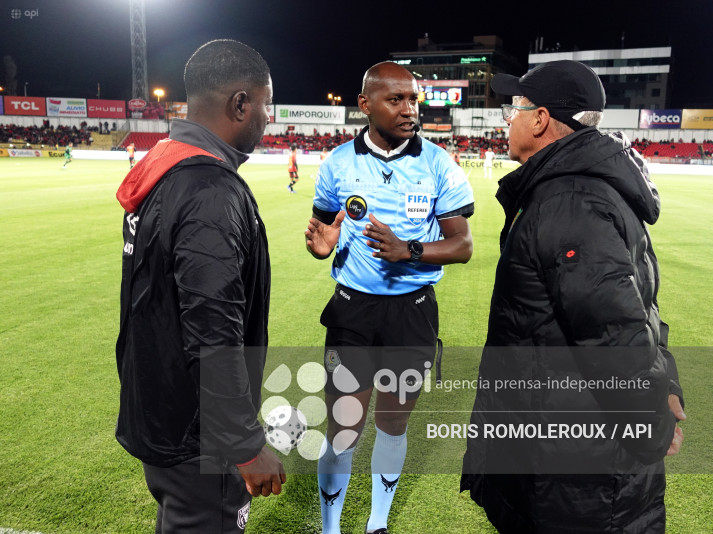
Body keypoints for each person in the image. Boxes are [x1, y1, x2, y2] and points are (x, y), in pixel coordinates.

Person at [460, 60, 685, 533]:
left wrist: (651, 424)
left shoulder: (569, 200)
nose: (508, 121)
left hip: (574, 473)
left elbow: (613, 332)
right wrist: (666, 385)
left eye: (514, 110)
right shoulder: (576, 189)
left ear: (540, 119)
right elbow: (641, 308)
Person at [114, 39, 285, 533]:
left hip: (161, 410)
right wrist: (244, 443)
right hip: (197, 435)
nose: (268, 118)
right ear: (240, 104)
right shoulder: (210, 190)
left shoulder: (166, 167)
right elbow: (213, 329)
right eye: (265, 103)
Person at [305, 61, 474, 534]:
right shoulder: (337, 162)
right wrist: (322, 248)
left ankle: (377, 523)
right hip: (352, 311)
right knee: (343, 429)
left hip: (411, 312)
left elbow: (462, 245)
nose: (409, 109)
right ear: (365, 105)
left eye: (413, 99)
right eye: (395, 99)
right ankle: (329, 528)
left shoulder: (438, 163)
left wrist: (409, 250)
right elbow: (325, 232)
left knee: (393, 424)